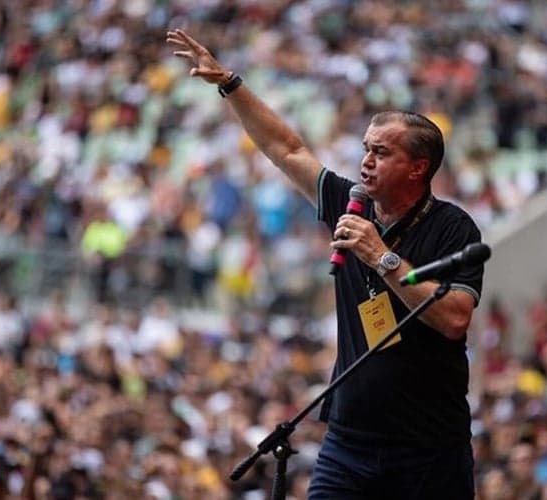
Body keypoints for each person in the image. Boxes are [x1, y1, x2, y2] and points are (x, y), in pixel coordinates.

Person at [167, 28, 485, 499]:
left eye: (382, 152)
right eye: (365, 149)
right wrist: (230, 83)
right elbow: (287, 148)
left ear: (418, 167)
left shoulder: (453, 228)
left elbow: (455, 318)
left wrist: (381, 256)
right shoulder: (349, 204)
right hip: (350, 438)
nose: (366, 162)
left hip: (428, 447)